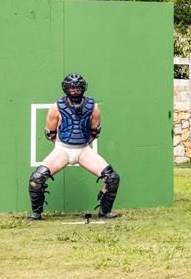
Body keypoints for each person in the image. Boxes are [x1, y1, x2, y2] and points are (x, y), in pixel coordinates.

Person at [26, 73, 121, 221]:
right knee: (36, 179)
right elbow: (50, 132)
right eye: (71, 88)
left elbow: (94, 131)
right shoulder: (56, 107)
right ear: (66, 89)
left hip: (83, 149)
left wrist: (82, 145)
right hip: (62, 149)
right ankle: (36, 213)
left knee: (112, 178)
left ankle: (105, 211)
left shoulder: (92, 107)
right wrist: (59, 147)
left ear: (83, 88)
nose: (75, 91)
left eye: (77, 88)